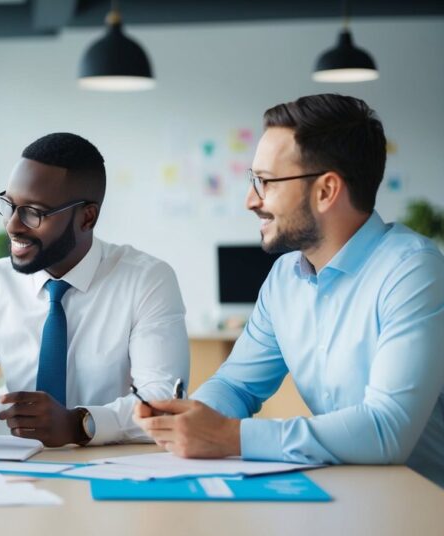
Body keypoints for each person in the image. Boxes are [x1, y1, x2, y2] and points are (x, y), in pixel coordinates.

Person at [134, 94, 444, 487]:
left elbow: (388, 429)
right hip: (348, 493)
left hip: (425, 506)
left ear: (326, 190)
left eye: (264, 182)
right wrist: (190, 417)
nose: (251, 200)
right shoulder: (285, 277)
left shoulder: (412, 269)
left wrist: (229, 437)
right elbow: (236, 385)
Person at [0, 132, 189, 446]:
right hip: (23, 475)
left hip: (115, 471)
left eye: (34, 213)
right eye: (9, 205)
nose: (12, 226)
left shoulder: (147, 280)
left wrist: (80, 424)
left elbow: (164, 404)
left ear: (87, 217)